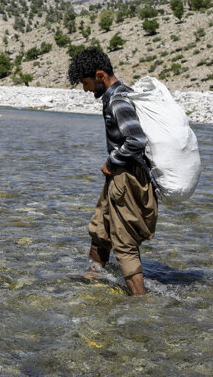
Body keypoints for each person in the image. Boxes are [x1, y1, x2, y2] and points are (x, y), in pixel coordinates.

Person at [67, 47, 158, 296]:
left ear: (100, 75)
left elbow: (136, 140)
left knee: (124, 243)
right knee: (100, 229)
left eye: (86, 83)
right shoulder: (120, 94)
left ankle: (141, 303)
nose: (85, 90)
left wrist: (111, 160)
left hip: (126, 178)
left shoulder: (118, 99)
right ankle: (93, 275)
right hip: (119, 176)